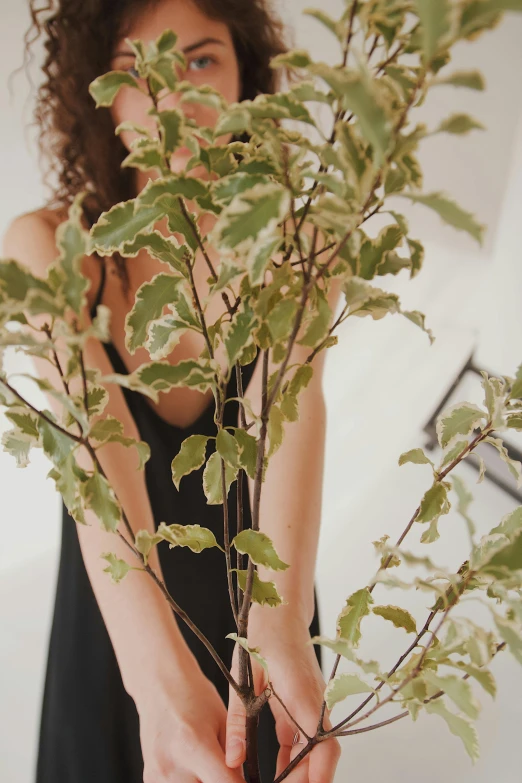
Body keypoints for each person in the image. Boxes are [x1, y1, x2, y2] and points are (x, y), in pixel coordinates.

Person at [3, 0, 342, 781]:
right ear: (96, 91)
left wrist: (281, 630)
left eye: (200, 60)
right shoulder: (53, 249)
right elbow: (99, 454)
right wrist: (156, 681)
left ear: (246, 79)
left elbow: (290, 415)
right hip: (118, 608)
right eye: (135, 72)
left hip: (266, 590)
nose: (172, 98)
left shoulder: (298, 241)